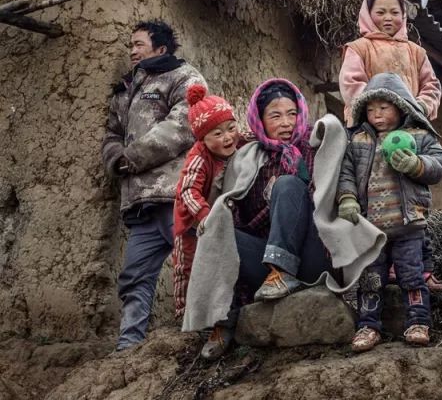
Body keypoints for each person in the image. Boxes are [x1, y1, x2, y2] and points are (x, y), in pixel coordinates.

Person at [199, 78, 333, 360]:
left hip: (312, 255)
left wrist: (289, 193)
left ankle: (284, 270)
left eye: (291, 114)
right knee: (217, 229)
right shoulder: (246, 158)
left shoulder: (315, 145)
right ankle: (225, 318)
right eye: (275, 115)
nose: (286, 123)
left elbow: (327, 200)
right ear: (259, 119)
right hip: (265, 268)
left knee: (287, 185)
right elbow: (236, 219)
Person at [101, 20, 206, 351]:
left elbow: (182, 125)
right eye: (129, 45)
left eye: (138, 44)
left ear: (160, 49)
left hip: (173, 193)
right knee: (134, 275)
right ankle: (129, 347)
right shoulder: (125, 90)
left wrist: (132, 157)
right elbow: (111, 132)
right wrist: (114, 157)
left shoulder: (183, 77)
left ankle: (203, 335)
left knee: (194, 265)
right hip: (140, 202)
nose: (131, 50)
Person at [339, 0, 442, 292]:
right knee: (376, 195)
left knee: (414, 193)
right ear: (368, 15)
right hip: (370, 131)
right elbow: (352, 84)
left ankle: (421, 267)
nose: (389, 18)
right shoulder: (359, 49)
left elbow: (432, 86)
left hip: (408, 130)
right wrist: (374, 110)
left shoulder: (416, 52)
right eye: (381, 11)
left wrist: (419, 108)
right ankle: (382, 264)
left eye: (395, 12)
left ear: (404, 14)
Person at [336, 72, 442, 353]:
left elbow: (440, 163)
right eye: (371, 109)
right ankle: (368, 326)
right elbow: (346, 172)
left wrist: (416, 164)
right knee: (371, 280)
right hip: (371, 230)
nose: (376, 115)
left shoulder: (419, 136)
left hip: (408, 225)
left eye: (383, 108)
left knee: (412, 275)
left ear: (401, 106)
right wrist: (347, 199)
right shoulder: (358, 141)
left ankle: (419, 322)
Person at [172, 85, 241, 318]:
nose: (228, 137)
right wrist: (204, 216)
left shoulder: (237, 143)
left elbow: (252, 134)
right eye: (218, 134)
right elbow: (188, 192)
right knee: (187, 267)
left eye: (231, 128)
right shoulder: (199, 157)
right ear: (203, 137)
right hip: (193, 222)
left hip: (218, 219)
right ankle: (183, 313)